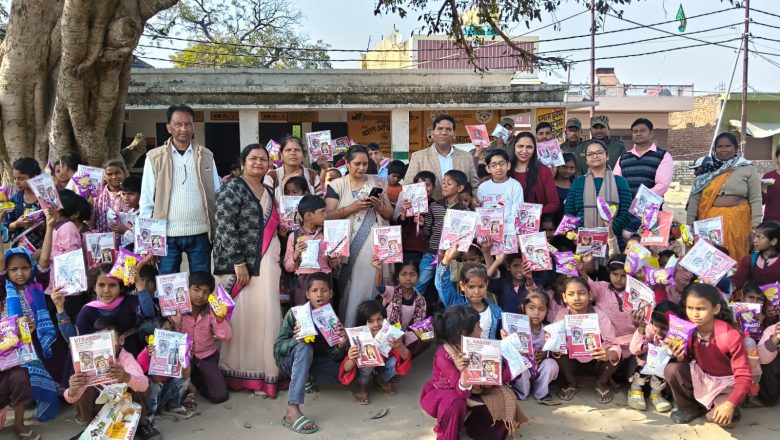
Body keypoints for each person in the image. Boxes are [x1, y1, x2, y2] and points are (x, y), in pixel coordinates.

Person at [213, 144, 281, 397]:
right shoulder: (231, 188)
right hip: (238, 265)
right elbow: (225, 226)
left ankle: (265, 371)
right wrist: (239, 262)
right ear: (242, 163)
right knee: (241, 317)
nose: (258, 163)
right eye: (253, 159)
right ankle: (237, 372)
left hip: (267, 262)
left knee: (266, 314)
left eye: (263, 159)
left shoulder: (269, 190)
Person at [420, 305, 527, 440]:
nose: (481, 330)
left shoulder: (481, 347)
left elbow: (496, 376)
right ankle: (447, 433)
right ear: (463, 333)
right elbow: (461, 392)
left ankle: (479, 430)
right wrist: (465, 375)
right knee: (455, 402)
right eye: (478, 326)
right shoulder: (444, 354)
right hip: (448, 393)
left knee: (505, 396)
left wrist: (517, 363)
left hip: (477, 390)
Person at [140, 104, 220, 274]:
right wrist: (147, 243)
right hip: (166, 235)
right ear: (169, 127)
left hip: (201, 233)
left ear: (193, 126)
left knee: (201, 286)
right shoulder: (154, 158)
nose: (183, 128)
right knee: (169, 287)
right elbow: (146, 201)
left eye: (188, 124)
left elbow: (217, 194)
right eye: (178, 124)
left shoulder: (206, 156)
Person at [0, 214, 59, 430]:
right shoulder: (4, 289)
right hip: (12, 343)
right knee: (19, 375)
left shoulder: (36, 284)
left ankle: (41, 397)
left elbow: (43, 260)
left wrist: (50, 226)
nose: (20, 273)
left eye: (24, 268)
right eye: (14, 270)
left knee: (48, 363)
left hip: (38, 337)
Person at [665, 284, 751, 427]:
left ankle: (730, 408)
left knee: (719, 418)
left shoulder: (729, 336)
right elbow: (689, 360)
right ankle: (690, 408)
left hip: (726, 385)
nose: (694, 314)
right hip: (703, 378)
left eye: (701, 309)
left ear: (716, 309)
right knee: (672, 369)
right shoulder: (688, 331)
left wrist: (729, 405)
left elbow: (744, 376)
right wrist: (681, 356)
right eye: (690, 308)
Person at [325, 145, 393, 326]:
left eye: (365, 164)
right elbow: (327, 215)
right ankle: (350, 334)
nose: (362, 168)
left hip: (376, 246)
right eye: (357, 164)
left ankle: (373, 334)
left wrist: (379, 206)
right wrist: (351, 208)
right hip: (347, 249)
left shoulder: (378, 182)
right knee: (350, 293)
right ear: (347, 163)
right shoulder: (336, 185)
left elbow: (389, 214)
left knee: (372, 290)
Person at [275, 273, 348, 434]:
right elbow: (277, 349)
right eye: (314, 290)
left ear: (331, 293)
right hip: (290, 360)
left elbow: (333, 355)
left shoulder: (331, 318)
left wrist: (341, 345)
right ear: (307, 294)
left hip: (314, 361)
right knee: (304, 348)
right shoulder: (296, 314)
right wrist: (296, 340)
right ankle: (292, 410)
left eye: (324, 290)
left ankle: (307, 377)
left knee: (346, 370)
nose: (319, 294)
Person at [65, 317, 160, 440]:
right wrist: (73, 389)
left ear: (121, 340)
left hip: (125, 407)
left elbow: (144, 385)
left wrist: (126, 377)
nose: (104, 345)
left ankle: (141, 424)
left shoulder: (126, 358)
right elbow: (72, 398)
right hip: (100, 410)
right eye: (99, 340)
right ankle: (91, 428)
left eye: (108, 339)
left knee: (140, 384)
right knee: (84, 389)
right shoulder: (87, 362)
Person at [687, 132, 763, 265]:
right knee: (710, 255)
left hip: (739, 219)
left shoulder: (747, 168)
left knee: (736, 256)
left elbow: (756, 198)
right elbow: (695, 198)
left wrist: (755, 227)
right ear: (714, 149)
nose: (724, 149)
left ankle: (734, 284)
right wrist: (689, 224)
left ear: (736, 148)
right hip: (709, 221)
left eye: (728, 146)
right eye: (720, 146)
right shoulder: (707, 170)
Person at [553, 277, 624, 404]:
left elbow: (612, 343)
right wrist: (560, 345)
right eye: (571, 294)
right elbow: (553, 339)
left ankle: (601, 383)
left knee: (615, 353)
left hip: (596, 360)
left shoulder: (599, 315)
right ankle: (571, 382)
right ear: (564, 297)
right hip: (572, 361)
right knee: (557, 350)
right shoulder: (561, 314)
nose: (576, 298)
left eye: (581, 293)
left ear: (590, 295)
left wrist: (608, 354)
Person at [171, 272, 231, 404]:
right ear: (188, 288)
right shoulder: (178, 309)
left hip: (206, 357)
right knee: (171, 392)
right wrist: (176, 324)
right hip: (182, 358)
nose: (200, 295)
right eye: (196, 290)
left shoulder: (211, 311)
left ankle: (197, 382)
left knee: (220, 395)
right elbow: (169, 338)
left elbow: (225, 336)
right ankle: (191, 382)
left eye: (205, 292)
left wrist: (220, 320)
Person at [339, 300, 412, 404]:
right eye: (370, 321)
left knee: (396, 361)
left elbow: (405, 358)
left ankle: (380, 379)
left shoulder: (390, 334)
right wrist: (352, 358)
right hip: (364, 370)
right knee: (369, 359)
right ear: (363, 323)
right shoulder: (359, 339)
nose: (376, 324)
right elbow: (346, 367)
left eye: (379, 319)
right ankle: (362, 385)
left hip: (383, 366)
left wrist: (400, 346)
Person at [414, 170, 468, 299]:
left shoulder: (465, 212)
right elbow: (426, 233)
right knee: (418, 286)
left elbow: (465, 239)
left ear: (459, 188)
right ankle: (411, 312)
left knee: (446, 289)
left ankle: (447, 316)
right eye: (444, 183)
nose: (444, 186)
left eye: (449, 184)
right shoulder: (434, 206)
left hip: (451, 258)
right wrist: (421, 225)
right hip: (431, 254)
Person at [565, 140, 633, 238]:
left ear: (607, 156)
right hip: (583, 241)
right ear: (586, 159)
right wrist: (579, 234)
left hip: (612, 240)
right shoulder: (578, 182)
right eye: (590, 154)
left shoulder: (620, 182)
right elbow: (569, 212)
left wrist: (608, 232)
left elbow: (626, 214)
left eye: (599, 152)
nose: (595, 156)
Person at [404, 114, 479, 200]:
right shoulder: (418, 157)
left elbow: (474, 186)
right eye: (440, 129)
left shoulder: (466, 157)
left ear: (454, 134)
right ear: (433, 134)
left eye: (448, 129)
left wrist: (473, 200)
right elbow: (409, 186)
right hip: (429, 211)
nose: (444, 133)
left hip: (459, 210)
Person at [436, 246, 502, 340]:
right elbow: (442, 285)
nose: (476, 291)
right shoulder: (456, 304)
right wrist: (446, 259)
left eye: (481, 286)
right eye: (471, 287)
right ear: (462, 286)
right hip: (461, 354)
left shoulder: (495, 310)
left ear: (486, 285)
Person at [136, 318, 194, 424]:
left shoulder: (172, 350)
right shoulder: (142, 357)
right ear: (149, 339)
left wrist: (185, 357)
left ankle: (172, 406)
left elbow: (185, 377)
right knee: (155, 385)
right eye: (164, 331)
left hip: (167, 391)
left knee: (182, 378)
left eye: (170, 330)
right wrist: (153, 359)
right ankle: (151, 414)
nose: (170, 334)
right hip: (154, 397)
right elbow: (157, 381)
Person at [284, 195, 339, 305]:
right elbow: (288, 267)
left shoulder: (327, 234)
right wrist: (296, 254)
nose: (326, 215)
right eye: (322, 212)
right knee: (303, 316)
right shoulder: (294, 237)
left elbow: (333, 265)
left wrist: (333, 259)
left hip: (324, 280)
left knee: (324, 314)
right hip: (304, 282)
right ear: (309, 215)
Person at [627, 301, 680, 412]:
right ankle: (635, 389)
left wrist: (675, 352)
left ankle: (656, 393)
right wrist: (641, 329)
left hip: (659, 375)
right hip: (644, 369)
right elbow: (634, 349)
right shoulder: (649, 329)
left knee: (668, 360)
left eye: (665, 328)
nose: (659, 332)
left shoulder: (677, 336)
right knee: (646, 353)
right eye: (656, 325)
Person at [372, 256, 428, 357]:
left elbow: (418, 325)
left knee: (428, 334)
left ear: (418, 277)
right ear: (397, 277)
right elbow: (379, 287)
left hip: (403, 335)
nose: (408, 278)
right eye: (404, 274)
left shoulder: (420, 300)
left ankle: (406, 357)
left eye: (412, 275)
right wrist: (378, 271)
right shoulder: (391, 292)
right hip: (385, 332)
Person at [511, 291, 559, 401]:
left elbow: (555, 350)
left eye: (541, 309)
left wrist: (545, 354)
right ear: (523, 308)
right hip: (525, 368)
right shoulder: (516, 328)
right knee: (519, 363)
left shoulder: (548, 329)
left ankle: (541, 392)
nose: (536, 313)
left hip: (539, 366)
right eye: (531, 308)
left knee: (552, 364)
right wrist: (506, 339)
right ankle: (522, 391)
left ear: (547, 311)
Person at [613, 118, 674, 199]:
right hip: (625, 205)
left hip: (649, 208)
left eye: (642, 131)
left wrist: (639, 201)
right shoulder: (623, 158)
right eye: (635, 131)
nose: (638, 134)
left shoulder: (663, 156)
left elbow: (662, 185)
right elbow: (616, 181)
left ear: (651, 133)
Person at [509, 132, 560, 215]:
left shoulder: (544, 171)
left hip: (535, 224)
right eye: (520, 146)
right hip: (508, 223)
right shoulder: (505, 170)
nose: (524, 151)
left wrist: (532, 213)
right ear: (514, 147)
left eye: (529, 147)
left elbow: (554, 203)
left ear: (535, 149)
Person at [265, 135, 326, 200]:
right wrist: (283, 184)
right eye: (288, 150)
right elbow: (266, 203)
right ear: (281, 156)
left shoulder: (312, 175)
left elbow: (320, 202)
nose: (293, 153)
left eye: (297, 150)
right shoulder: (271, 176)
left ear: (303, 156)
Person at [4, 158, 44, 248]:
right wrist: (16, 224)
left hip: (43, 249)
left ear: (34, 177)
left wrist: (42, 226)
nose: (16, 182)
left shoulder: (45, 197)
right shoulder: (14, 200)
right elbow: (6, 226)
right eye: (14, 178)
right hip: (20, 249)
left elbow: (56, 222)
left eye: (21, 178)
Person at [731, 220, 780, 290]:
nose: (754, 240)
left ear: (773, 241)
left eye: (759, 237)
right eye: (755, 236)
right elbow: (736, 284)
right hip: (753, 300)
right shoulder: (749, 260)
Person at [479, 148, 525, 218]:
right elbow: (480, 210)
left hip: (509, 227)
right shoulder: (482, 187)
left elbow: (517, 212)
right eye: (493, 165)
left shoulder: (515, 186)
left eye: (502, 164)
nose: (498, 168)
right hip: (487, 227)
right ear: (488, 169)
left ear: (508, 165)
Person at [94, 160, 128, 234]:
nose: (114, 177)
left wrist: (126, 230)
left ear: (124, 174)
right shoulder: (98, 194)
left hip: (126, 240)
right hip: (103, 240)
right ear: (104, 176)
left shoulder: (131, 194)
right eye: (109, 174)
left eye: (117, 173)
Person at [111, 175, 141, 249]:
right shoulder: (130, 212)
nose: (126, 198)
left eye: (131, 194)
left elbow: (143, 244)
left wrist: (125, 231)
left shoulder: (145, 215)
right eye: (123, 194)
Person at [757, 318, 780, 406]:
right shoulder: (773, 329)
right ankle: (768, 398)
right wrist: (774, 340)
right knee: (769, 365)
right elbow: (762, 359)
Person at [554, 152, 577, 217]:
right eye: (564, 167)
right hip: (550, 223)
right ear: (558, 166)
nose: (568, 170)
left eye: (571, 168)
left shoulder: (577, 185)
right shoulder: (550, 184)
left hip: (570, 223)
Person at [762, 146, 780, 222]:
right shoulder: (768, 176)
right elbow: (762, 201)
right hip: (771, 221)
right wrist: (763, 191)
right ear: (776, 158)